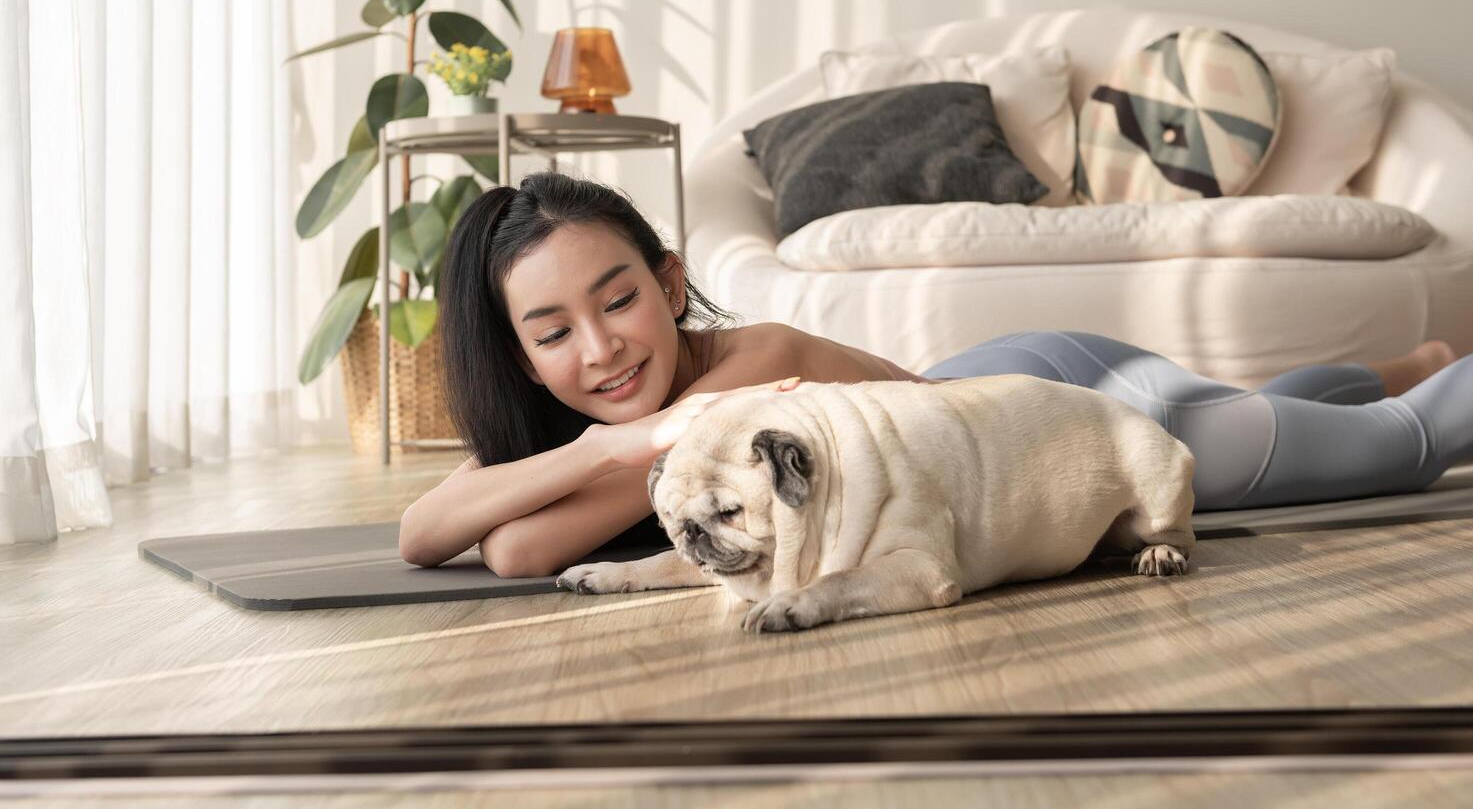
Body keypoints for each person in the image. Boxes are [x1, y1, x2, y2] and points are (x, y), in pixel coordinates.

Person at [399, 172, 1471, 577]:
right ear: (520, 355)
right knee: (1245, 411)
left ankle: (1414, 388)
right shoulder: (629, 433)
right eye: (552, 330)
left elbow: (514, 546)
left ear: (671, 281)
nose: (600, 349)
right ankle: (1399, 361)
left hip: (1065, 420)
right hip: (975, 394)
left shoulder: (755, 371)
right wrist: (611, 444)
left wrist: (611, 446)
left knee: (1407, 449)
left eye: (619, 297)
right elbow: (426, 528)